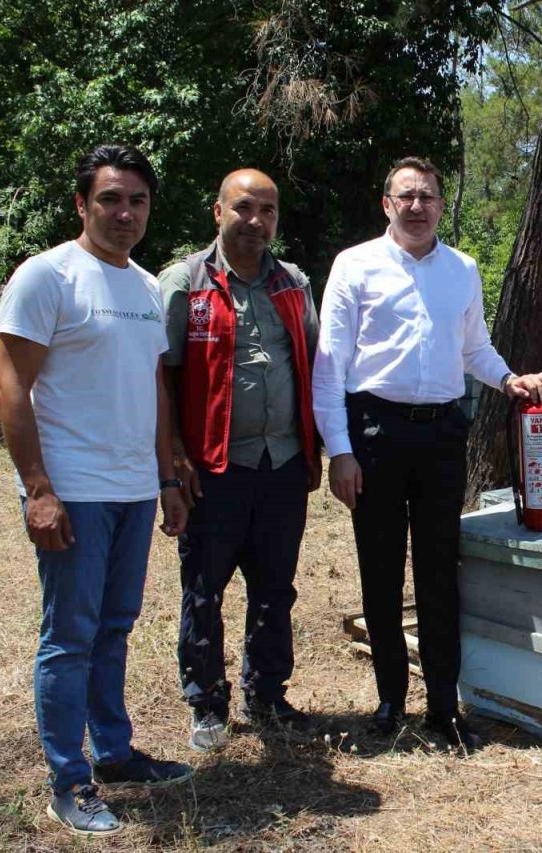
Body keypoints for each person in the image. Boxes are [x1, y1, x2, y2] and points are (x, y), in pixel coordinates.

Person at [312, 156, 542, 748]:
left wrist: (509, 381)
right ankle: (390, 702)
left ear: (442, 205)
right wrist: (339, 451)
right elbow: (329, 366)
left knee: (442, 572)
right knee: (382, 568)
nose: (417, 206)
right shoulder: (355, 265)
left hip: (443, 434)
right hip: (374, 434)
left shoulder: (462, 269)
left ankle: (444, 708)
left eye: (428, 196)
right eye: (406, 196)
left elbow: (476, 348)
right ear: (386, 203)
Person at [0, 144, 193, 838]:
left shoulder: (143, 287)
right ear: (82, 204)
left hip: (134, 488)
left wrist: (167, 474)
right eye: (110, 199)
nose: (124, 213)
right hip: (72, 489)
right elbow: (11, 385)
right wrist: (38, 488)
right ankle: (68, 779)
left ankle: (113, 753)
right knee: (70, 635)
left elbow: (155, 388)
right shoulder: (48, 277)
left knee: (115, 627)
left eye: (137, 201)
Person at [159, 168, 320, 752]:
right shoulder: (183, 283)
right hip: (213, 467)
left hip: (282, 464)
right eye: (244, 208)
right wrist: (174, 458)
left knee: (276, 587)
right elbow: (163, 377)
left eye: (268, 211)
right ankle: (206, 702)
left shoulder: (293, 283)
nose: (256, 221)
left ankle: (268, 693)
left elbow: (313, 366)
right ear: (218, 211)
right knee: (205, 587)